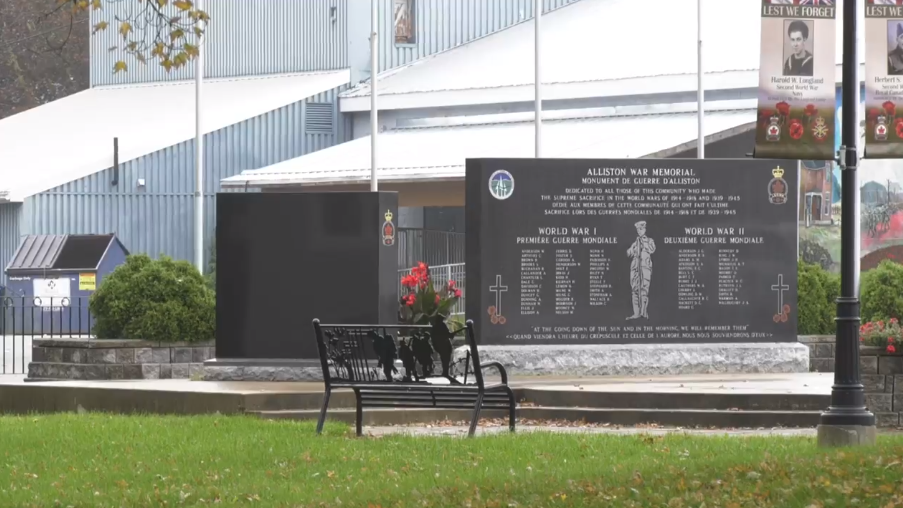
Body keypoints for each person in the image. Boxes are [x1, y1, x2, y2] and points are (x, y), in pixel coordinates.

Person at [627, 221, 655, 320]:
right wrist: (633, 247)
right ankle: (636, 313)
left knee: (644, 290)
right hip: (635, 270)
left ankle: (644, 313)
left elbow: (652, 249)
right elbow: (628, 253)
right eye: (638, 229)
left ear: (645, 229)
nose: (639, 231)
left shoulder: (649, 241)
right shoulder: (635, 243)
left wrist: (644, 243)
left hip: (645, 269)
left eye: (641, 229)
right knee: (635, 290)